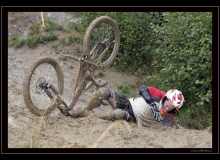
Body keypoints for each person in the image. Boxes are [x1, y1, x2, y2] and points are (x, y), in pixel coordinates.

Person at [68, 85, 185, 129]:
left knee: (118, 114)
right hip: (128, 104)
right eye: (167, 105)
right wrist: (151, 103)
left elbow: (166, 129)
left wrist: (176, 128)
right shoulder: (158, 94)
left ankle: (91, 117)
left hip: (133, 118)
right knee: (103, 92)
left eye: (172, 108)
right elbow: (142, 89)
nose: (168, 108)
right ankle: (84, 111)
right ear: (165, 98)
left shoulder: (169, 118)